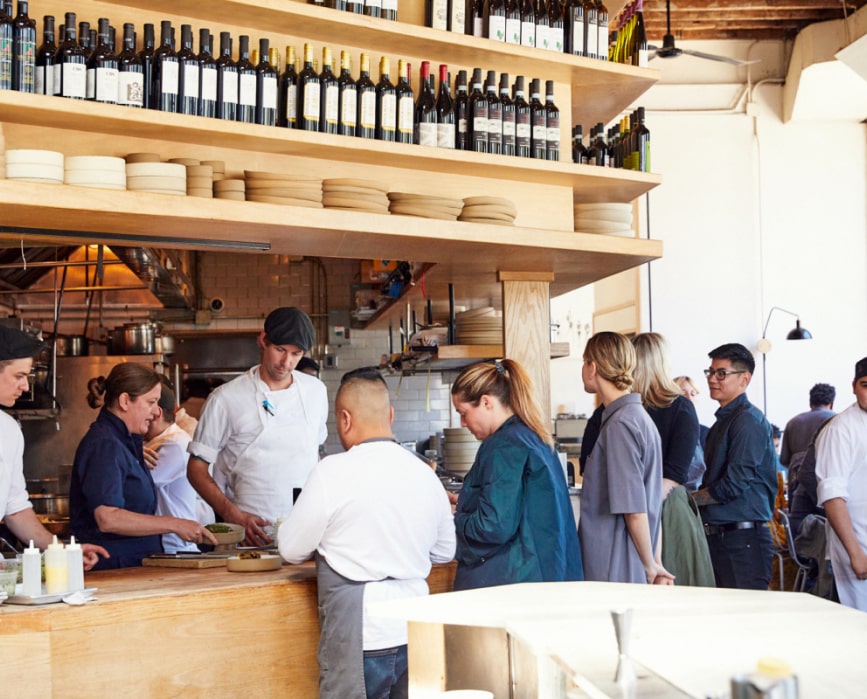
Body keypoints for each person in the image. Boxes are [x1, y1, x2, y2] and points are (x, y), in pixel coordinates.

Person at [278, 367, 455, 699]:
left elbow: (290, 549)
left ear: (344, 419)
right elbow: (445, 551)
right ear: (390, 414)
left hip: (363, 633)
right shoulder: (424, 474)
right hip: (415, 629)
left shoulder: (331, 472)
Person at [187, 307, 328, 546]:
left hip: (304, 533)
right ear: (263, 340)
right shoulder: (226, 398)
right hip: (248, 535)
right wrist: (232, 515)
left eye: (296, 354)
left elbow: (313, 456)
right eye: (280, 350)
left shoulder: (316, 391)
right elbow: (196, 469)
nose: (286, 362)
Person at [450, 359, 583, 591]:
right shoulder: (533, 436)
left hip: (512, 581)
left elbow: (492, 526)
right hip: (548, 574)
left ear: (486, 402)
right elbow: (518, 506)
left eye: (464, 413)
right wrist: (464, 501)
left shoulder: (502, 446)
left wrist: (454, 520)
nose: (462, 423)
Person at [70, 363, 217, 570]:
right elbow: (108, 518)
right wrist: (175, 524)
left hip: (131, 565)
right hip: (113, 567)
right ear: (124, 401)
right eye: (151, 402)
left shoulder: (126, 442)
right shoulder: (106, 444)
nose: (157, 411)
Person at [0, 325, 107, 569]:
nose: (26, 386)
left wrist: (62, 551)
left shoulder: (9, 431)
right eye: (19, 376)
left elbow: (15, 510)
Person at [579, 332, 672, 585]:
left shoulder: (621, 424)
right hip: (631, 559)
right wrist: (655, 560)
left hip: (615, 562)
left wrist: (651, 565)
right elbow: (651, 502)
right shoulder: (638, 418)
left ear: (593, 367)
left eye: (584, 361)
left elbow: (634, 509)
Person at [632, 333, 714, 587]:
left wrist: (637, 508)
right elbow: (676, 473)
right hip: (666, 507)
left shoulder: (620, 408)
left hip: (632, 509)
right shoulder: (680, 407)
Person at [693, 343, 777, 590]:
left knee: (747, 621)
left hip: (743, 541)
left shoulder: (747, 421)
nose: (712, 379)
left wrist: (685, 501)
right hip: (722, 536)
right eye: (710, 372)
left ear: (744, 379)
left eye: (721, 373)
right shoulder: (723, 421)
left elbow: (733, 484)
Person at [815, 357, 867, 611]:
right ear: (854, 386)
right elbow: (832, 496)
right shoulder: (840, 429)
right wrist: (855, 554)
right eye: (866, 385)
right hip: (858, 545)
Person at [144, 381, 213, 553]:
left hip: (174, 549)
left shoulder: (174, 444)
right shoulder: (156, 442)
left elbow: (136, 485)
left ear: (156, 413)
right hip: (165, 547)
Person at [780, 382, 836, 469]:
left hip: (797, 479)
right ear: (831, 404)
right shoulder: (837, 421)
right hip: (826, 477)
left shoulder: (792, 422)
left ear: (810, 403)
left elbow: (784, 459)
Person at [673, 375, 709, 491]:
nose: (689, 398)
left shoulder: (706, 433)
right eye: (683, 394)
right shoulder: (666, 433)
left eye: (693, 394)